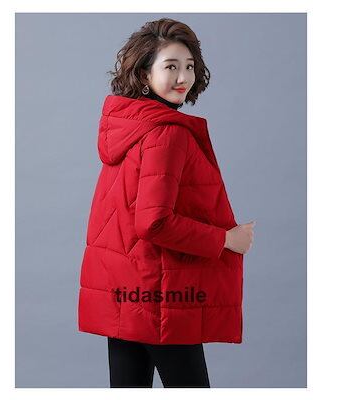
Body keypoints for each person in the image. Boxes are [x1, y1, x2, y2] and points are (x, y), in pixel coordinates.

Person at [77, 18, 254, 388]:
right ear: (145, 74)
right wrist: (225, 239)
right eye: (171, 66)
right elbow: (153, 222)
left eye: (189, 66)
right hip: (160, 295)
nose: (183, 77)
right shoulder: (167, 134)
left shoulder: (128, 125)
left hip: (125, 291)